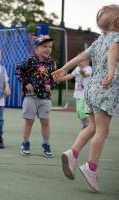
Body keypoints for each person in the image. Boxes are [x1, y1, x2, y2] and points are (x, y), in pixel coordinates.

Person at [52, 4, 119, 192]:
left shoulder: (99, 40)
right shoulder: (117, 38)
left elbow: (82, 55)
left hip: (90, 90)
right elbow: (114, 50)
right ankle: (91, 167)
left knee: (92, 127)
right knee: (102, 132)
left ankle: (72, 154)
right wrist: (112, 71)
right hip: (106, 91)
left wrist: (64, 67)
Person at [15, 34, 57, 158]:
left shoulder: (52, 62)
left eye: (50, 47)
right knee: (29, 120)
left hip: (45, 97)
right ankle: (25, 143)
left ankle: (46, 144)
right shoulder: (29, 60)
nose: (48, 49)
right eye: (44, 46)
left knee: (45, 121)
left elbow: (55, 77)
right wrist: (26, 82)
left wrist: (51, 84)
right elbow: (18, 71)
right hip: (30, 96)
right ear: (36, 48)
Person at [60, 58, 92, 129]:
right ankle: (84, 124)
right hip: (78, 94)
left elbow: (86, 75)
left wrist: (82, 72)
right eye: (78, 61)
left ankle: (90, 124)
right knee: (79, 111)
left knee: (84, 111)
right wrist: (61, 78)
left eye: (81, 61)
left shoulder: (88, 68)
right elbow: (71, 75)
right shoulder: (77, 68)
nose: (79, 63)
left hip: (85, 95)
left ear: (88, 62)